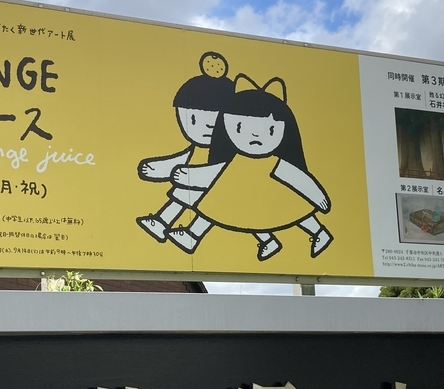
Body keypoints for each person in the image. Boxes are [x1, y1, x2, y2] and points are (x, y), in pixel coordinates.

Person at [168, 74, 332, 261]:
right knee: (222, 208)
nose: (254, 135)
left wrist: (318, 196)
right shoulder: (234, 160)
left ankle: (319, 233)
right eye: (239, 127)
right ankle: (193, 235)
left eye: (270, 130)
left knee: (294, 212)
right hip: (246, 198)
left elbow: (296, 176)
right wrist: (189, 176)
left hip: (272, 195)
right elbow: (214, 172)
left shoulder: (272, 161)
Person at [136, 51, 234, 244]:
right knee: (184, 196)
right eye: (194, 119)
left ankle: (189, 233)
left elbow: (222, 172)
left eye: (216, 121)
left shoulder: (228, 153)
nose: (208, 127)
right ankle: (163, 222)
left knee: (211, 209)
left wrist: (191, 175)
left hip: (222, 191)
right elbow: (182, 159)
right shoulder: (198, 149)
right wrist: (157, 169)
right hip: (197, 187)